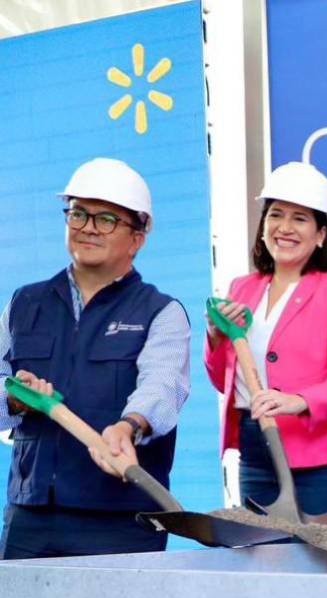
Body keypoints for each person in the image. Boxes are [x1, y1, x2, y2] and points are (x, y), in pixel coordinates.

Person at [0, 158, 190, 558]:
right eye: (78, 213)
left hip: (124, 520)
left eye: (106, 219)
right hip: (31, 517)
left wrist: (129, 425)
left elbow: (162, 386)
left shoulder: (161, 312)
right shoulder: (23, 303)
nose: (88, 227)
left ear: (137, 238)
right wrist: (12, 398)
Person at [205, 162, 327, 523]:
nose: (284, 227)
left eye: (299, 218)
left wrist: (299, 401)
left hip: (325, 460)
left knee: (313, 555)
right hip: (255, 452)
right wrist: (215, 338)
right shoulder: (241, 289)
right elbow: (225, 382)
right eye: (276, 214)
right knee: (264, 553)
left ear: (321, 234)